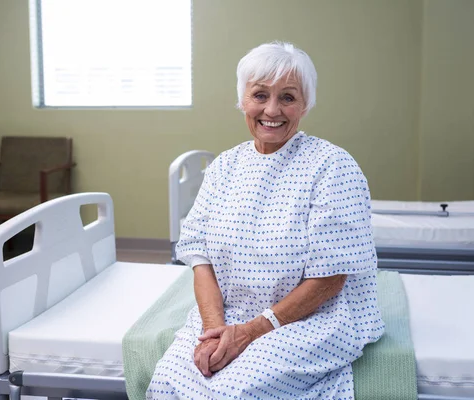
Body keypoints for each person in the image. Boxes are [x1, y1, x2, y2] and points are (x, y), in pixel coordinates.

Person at [147, 41, 384, 399]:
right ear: (242, 99)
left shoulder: (333, 166)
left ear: (305, 104)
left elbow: (329, 280)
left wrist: (251, 332)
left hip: (310, 319)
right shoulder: (225, 166)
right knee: (168, 385)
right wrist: (216, 330)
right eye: (260, 95)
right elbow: (200, 258)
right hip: (228, 313)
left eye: (288, 97)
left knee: (234, 392)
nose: (272, 110)